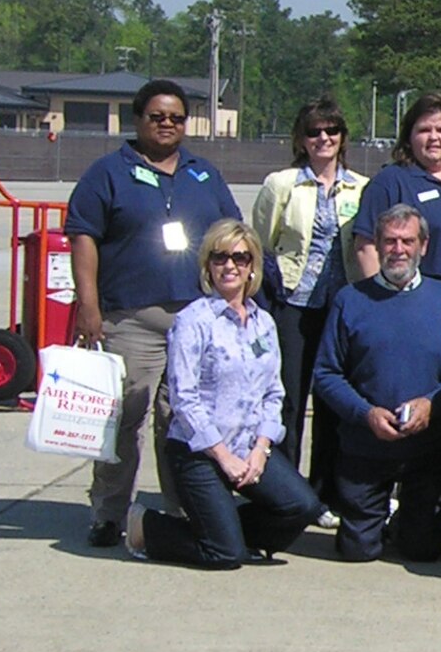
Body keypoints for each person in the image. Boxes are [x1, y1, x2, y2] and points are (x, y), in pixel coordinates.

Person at [64, 77, 242, 548]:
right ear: (137, 120)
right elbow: (83, 237)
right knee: (125, 417)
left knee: (182, 420)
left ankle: (185, 509)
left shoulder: (203, 173)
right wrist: (89, 306)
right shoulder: (108, 173)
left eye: (177, 118)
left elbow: (231, 235)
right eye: (157, 116)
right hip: (132, 318)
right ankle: (107, 512)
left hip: (195, 319)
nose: (167, 124)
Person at [123, 220, 325, 567]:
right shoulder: (193, 321)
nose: (229, 266)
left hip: (247, 445)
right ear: (208, 266)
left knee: (302, 507)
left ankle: (221, 530)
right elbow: (184, 399)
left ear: (252, 267)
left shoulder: (264, 323)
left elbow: (274, 394)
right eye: (220, 258)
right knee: (225, 556)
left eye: (240, 258)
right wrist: (223, 456)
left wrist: (261, 449)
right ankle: (149, 527)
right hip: (199, 450)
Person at [313, 205, 441, 563]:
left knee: (422, 550)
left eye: (407, 241)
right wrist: (365, 413)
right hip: (365, 446)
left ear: (424, 246)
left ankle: (407, 520)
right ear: (378, 246)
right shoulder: (350, 300)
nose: (398, 249)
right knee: (358, 552)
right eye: (389, 241)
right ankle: (373, 518)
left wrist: (433, 403)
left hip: (427, 449)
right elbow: (325, 374)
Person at [250, 98, 367, 518]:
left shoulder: (360, 186)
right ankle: (284, 489)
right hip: (294, 305)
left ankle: (323, 493)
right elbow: (262, 243)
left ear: (342, 137)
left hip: (342, 307)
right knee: (289, 400)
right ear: (301, 138)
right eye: (315, 132)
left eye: (332, 131)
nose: (324, 139)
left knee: (333, 403)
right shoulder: (281, 184)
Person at [352, 93, 441, 333]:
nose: (434, 137)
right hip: (414, 294)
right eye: (424, 130)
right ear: (409, 136)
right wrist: (383, 302)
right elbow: (365, 247)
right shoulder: (390, 182)